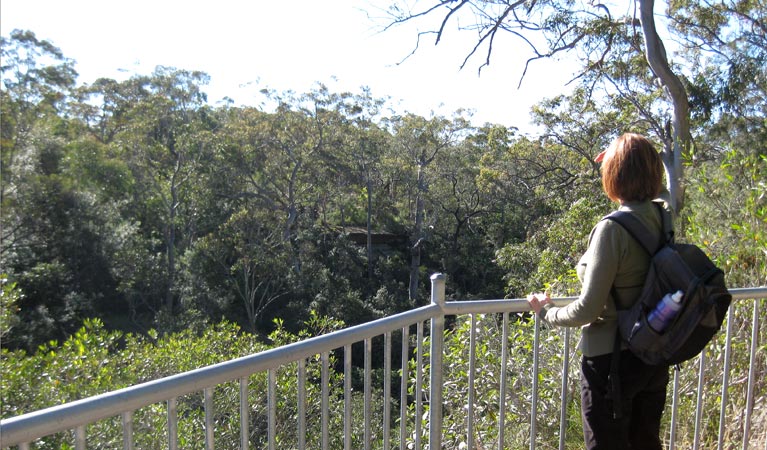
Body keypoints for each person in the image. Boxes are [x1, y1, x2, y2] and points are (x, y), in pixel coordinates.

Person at [527, 133, 670, 450]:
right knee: (645, 443)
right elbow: (660, 190)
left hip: (611, 363)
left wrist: (546, 312)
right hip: (652, 354)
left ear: (613, 175)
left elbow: (588, 309)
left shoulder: (612, 229)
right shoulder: (662, 215)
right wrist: (629, 157)